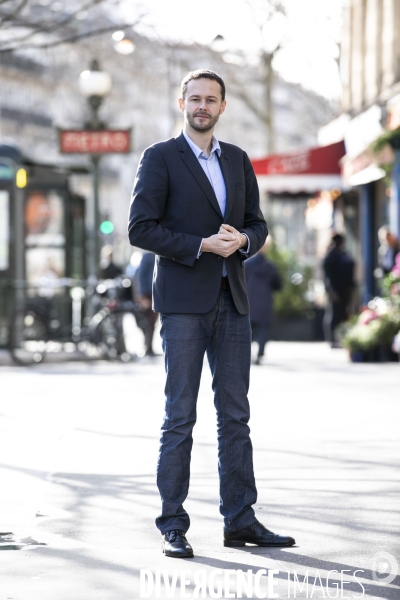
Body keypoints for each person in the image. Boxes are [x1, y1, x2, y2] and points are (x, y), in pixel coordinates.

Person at [128, 69, 295, 558]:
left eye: (211, 99)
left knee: (235, 416)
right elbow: (140, 229)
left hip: (233, 302)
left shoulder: (239, 160)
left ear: (223, 106)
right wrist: (200, 245)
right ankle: (173, 523)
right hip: (182, 306)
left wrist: (245, 241)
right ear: (182, 101)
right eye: (195, 98)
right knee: (180, 416)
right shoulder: (159, 158)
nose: (203, 105)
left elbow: (257, 225)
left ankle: (240, 519)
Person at [245, 244, 282, 364]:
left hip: (249, 301)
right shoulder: (270, 267)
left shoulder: (246, 265)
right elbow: (278, 285)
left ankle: (246, 353)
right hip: (265, 302)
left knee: (247, 330)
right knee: (263, 330)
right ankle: (260, 353)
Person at [323, 233, 355, 346]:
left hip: (345, 290)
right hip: (336, 290)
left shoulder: (344, 254)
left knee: (343, 314)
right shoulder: (331, 256)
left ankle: (341, 338)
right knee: (334, 314)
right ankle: (332, 339)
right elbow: (328, 275)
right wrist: (332, 291)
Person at [137, 251, 158, 356]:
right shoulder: (147, 256)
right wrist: (143, 296)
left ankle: (149, 347)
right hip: (149, 294)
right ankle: (147, 347)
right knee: (147, 322)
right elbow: (141, 275)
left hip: (155, 293)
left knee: (152, 322)